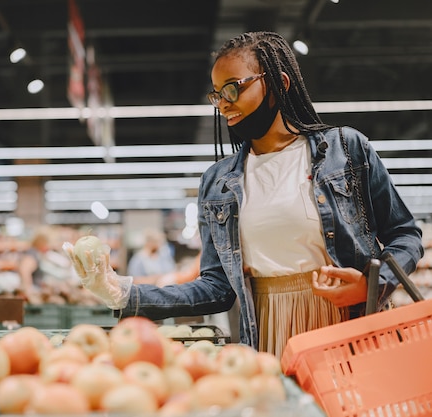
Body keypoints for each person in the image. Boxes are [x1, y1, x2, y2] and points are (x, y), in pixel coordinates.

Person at [64, 31, 424, 359]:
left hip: (350, 325)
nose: (223, 103)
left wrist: (370, 285)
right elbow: (217, 288)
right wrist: (125, 293)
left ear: (278, 83)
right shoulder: (218, 182)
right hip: (266, 330)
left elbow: (404, 234)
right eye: (217, 94)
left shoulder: (346, 150)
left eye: (233, 88)